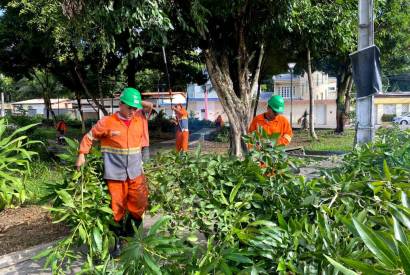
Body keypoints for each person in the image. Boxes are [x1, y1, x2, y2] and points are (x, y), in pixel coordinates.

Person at [75, 87, 148, 257]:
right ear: (120, 104)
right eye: (129, 107)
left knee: (139, 206)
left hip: (136, 172)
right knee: (116, 209)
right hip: (115, 174)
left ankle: (130, 236)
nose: (132, 111)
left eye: (134, 108)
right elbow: (90, 136)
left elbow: (148, 108)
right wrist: (81, 154)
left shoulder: (139, 120)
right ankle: (116, 243)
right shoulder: (107, 122)